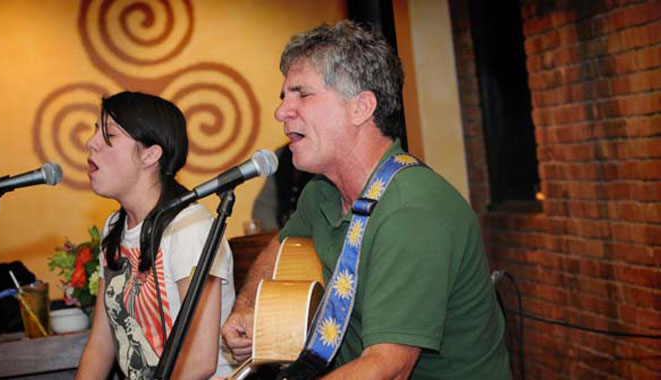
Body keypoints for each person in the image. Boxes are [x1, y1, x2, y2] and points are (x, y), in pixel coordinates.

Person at [221, 21, 510, 379]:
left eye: (302, 94)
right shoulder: (321, 193)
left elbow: (388, 369)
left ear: (361, 108)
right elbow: (279, 247)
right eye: (284, 97)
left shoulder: (413, 211)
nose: (282, 111)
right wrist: (248, 305)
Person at [77, 91, 235, 380]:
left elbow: (200, 360)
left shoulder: (190, 227)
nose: (91, 143)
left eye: (109, 134)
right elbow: (101, 344)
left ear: (151, 154)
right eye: (95, 130)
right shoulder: (115, 227)